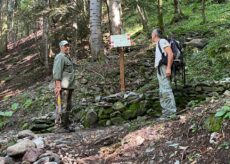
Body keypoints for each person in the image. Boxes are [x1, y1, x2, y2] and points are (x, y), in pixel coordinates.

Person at [151, 29, 177, 118]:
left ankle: (172, 113)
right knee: (162, 91)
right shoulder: (158, 43)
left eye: (152, 33)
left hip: (163, 68)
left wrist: (168, 68)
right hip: (160, 69)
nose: (151, 35)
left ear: (155, 35)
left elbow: (170, 54)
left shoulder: (162, 41)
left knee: (166, 89)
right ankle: (166, 113)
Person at [53, 40, 75, 131]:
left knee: (67, 106)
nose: (67, 47)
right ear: (61, 47)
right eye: (65, 46)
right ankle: (59, 127)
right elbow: (57, 72)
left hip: (69, 86)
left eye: (68, 46)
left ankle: (66, 126)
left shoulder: (67, 57)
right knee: (61, 106)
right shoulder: (60, 57)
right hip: (63, 86)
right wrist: (58, 86)